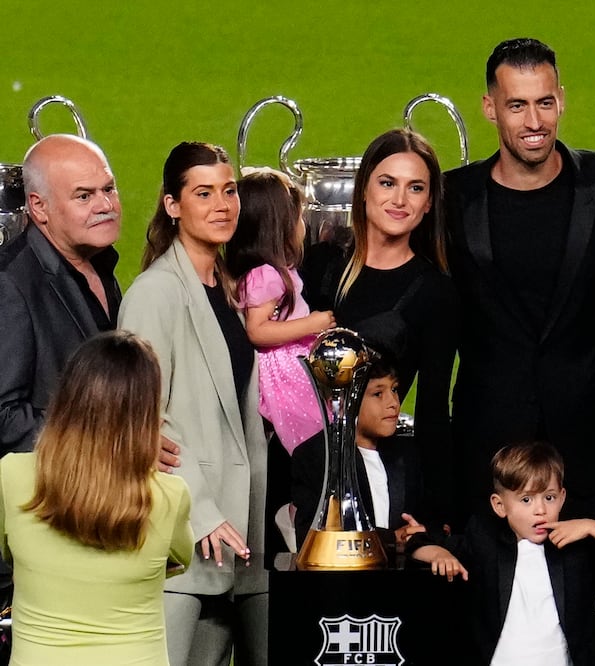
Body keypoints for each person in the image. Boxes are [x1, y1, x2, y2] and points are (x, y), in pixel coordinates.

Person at [446, 37, 595, 524]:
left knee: (591, 599)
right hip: (487, 452)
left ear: (562, 100)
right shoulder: (452, 198)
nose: (534, 123)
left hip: (588, 450)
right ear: (490, 108)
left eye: (544, 103)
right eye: (517, 105)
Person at [119, 142, 268, 666]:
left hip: (238, 541)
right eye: (203, 193)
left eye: (228, 191)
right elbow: (141, 418)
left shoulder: (230, 290)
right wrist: (199, 512)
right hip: (183, 541)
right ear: (172, 205)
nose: (222, 204)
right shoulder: (154, 292)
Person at [0, 330, 194, 665]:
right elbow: (178, 560)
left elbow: (9, 553)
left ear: (66, 399)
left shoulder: (12, 475)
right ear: (145, 415)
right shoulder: (169, 496)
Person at [302, 128, 459, 529]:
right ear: (364, 189)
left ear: (428, 204)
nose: (399, 200)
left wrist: (437, 511)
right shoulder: (321, 264)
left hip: (375, 476)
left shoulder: (435, 291)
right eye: (387, 183)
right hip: (297, 460)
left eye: (416, 188)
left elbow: (433, 410)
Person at [407, 441, 595, 666]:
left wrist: (593, 527)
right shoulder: (484, 540)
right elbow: (419, 543)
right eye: (526, 500)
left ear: (562, 498)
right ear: (499, 505)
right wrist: (437, 553)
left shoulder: (576, 545)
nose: (540, 510)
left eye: (549, 497)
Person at [0, 134, 122, 455]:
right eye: (84, 196)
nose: (105, 206)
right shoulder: (10, 283)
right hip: (53, 493)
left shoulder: (100, 262)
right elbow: (4, 417)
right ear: (39, 207)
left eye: (109, 189)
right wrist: (108, 439)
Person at [225, 168, 335, 454]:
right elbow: (258, 330)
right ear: (279, 226)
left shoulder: (275, 271)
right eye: (298, 217)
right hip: (283, 371)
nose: (303, 224)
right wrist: (312, 324)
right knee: (312, 434)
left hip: (294, 361)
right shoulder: (266, 275)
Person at [291, 355, 427, 555]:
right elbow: (317, 536)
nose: (393, 403)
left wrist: (419, 535)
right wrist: (392, 539)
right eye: (378, 394)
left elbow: (427, 518)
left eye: (395, 389)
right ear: (343, 403)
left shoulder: (406, 454)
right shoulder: (315, 457)